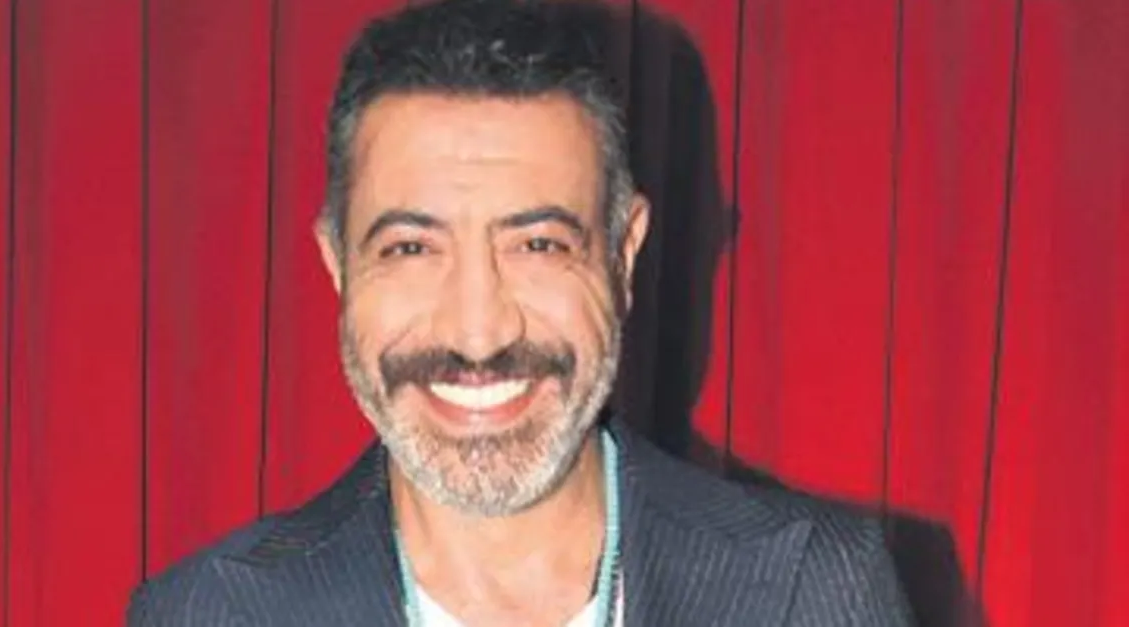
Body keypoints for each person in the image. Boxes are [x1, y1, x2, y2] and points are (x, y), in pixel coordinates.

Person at [128, 0, 913, 624]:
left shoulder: (812, 588)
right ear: (338, 264)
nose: (480, 332)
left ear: (623, 254)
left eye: (538, 244)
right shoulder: (206, 613)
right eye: (411, 247)